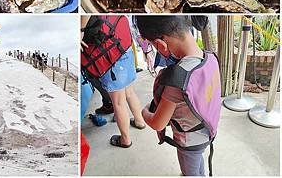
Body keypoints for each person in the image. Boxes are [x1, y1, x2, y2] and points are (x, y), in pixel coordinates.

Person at [135, 16, 221, 176]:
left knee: (190, 172)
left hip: (189, 142)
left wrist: (144, 111)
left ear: (161, 44)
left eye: (153, 46)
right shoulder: (210, 58)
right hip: (207, 132)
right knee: (197, 162)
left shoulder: (177, 80)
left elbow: (157, 123)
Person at [80, 15, 145, 148]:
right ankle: (140, 121)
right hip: (120, 42)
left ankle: (125, 140)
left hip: (106, 54)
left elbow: (85, 15)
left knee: (118, 102)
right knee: (129, 92)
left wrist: (80, 30)